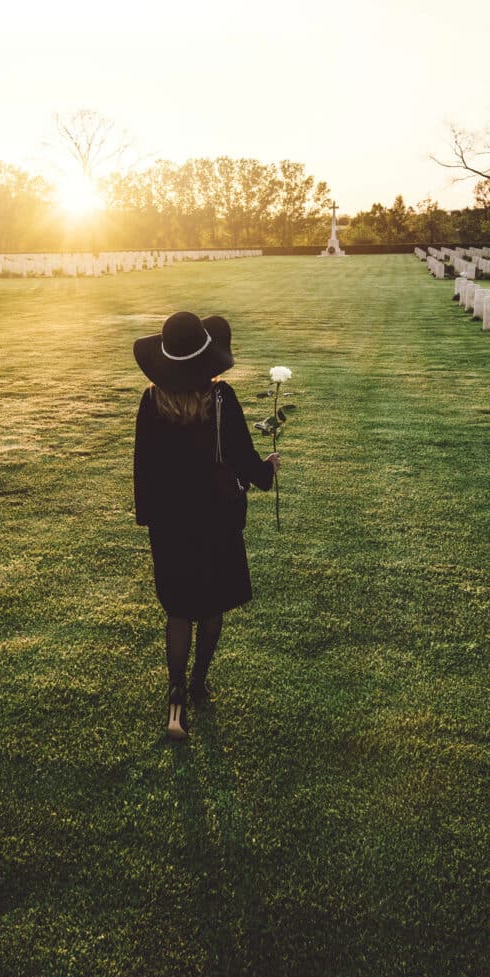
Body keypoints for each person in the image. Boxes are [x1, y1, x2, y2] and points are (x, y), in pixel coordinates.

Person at [132, 310, 280, 742]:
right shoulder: (221, 398)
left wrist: (149, 517)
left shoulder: (151, 401)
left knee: (179, 610)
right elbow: (242, 457)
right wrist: (267, 469)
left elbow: (144, 466)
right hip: (216, 518)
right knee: (211, 607)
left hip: (170, 523)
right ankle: (198, 682)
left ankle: (175, 689)